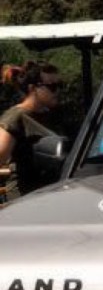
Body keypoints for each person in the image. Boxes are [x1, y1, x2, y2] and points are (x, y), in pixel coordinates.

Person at [0, 61, 62, 200]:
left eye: (60, 86)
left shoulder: (52, 115)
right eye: (52, 87)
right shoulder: (15, 117)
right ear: (32, 88)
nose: (58, 91)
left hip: (50, 195)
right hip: (24, 198)